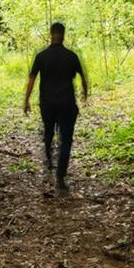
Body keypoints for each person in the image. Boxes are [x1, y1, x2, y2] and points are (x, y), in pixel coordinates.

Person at [22, 22, 87, 193]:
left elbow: (32, 79)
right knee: (66, 139)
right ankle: (60, 176)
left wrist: (26, 100)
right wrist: (84, 95)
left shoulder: (41, 56)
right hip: (66, 104)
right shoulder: (71, 56)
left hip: (47, 103)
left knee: (48, 130)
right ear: (63, 35)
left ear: (51, 34)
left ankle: (49, 158)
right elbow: (83, 78)